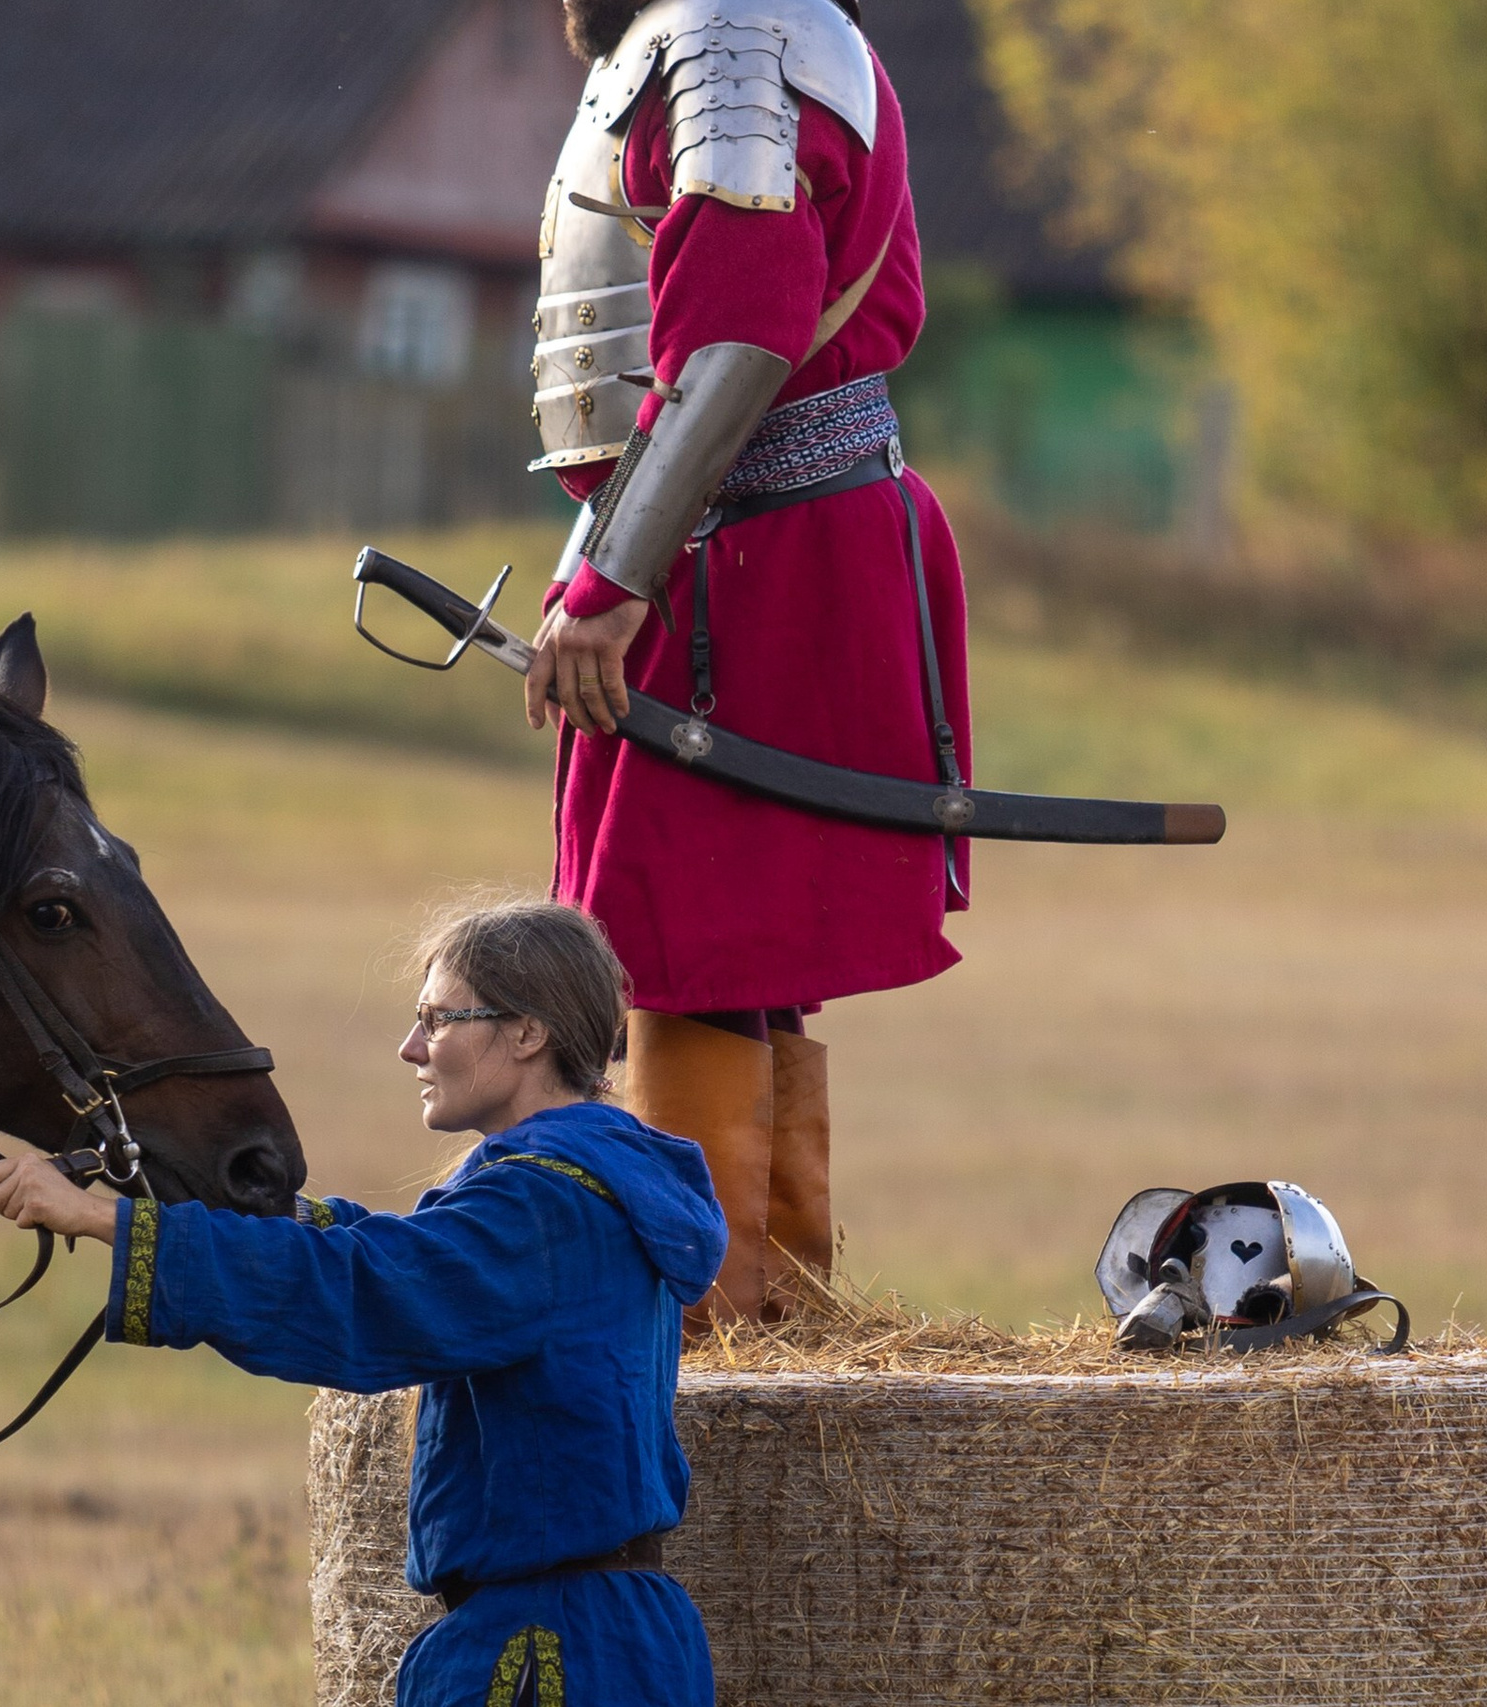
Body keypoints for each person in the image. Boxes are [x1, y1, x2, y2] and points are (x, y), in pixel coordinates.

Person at [520, 0, 973, 1325]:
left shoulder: (730, 45)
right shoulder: (733, 30)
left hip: (752, 557)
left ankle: (713, 1328)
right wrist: (594, 566)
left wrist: (615, 583)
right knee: (723, 947)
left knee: (689, 938)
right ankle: (767, 1312)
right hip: (735, 545)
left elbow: (738, 344)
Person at [0, 900, 725, 1707]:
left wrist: (104, 1220)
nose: (411, 1048)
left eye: (438, 1020)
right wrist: (233, 1203)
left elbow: (371, 1287)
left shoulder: (544, 1208)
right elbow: (408, 1253)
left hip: (557, 1659)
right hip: (593, 1643)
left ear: (526, 1033)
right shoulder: (584, 1182)